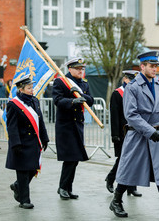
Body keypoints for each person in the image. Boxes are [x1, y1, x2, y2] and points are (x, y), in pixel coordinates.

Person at [110, 51, 159, 220]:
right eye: (151, 66)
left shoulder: (158, 85)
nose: (154, 69)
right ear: (142, 67)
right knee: (130, 169)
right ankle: (116, 200)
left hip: (156, 134)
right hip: (138, 135)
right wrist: (150, 132)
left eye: (156, 66)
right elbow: (131, 115)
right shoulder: (132, 87)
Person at [52, 57, 94, 200]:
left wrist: (81, 95)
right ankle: (62, 187)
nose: (80, 71)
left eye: (82, 69)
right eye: (77, 69)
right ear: (70, 69)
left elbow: (91, 100)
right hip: (66, 125)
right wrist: (73, 101)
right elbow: (57, 100)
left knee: (75, 159)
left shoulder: (84, 84)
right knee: (70, 158)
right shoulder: (61, 81)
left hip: (78, 125)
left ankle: (68, 188)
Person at [5, 75, 49, 209]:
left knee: (32, 168)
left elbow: (40, 121)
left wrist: (45, 137)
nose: (32, 90)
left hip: (34, 142)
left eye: (32, 87)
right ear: (21, 89)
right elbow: (12, 126)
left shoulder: (34, 101)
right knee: (23, 172)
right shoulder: (14, 104)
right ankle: (24, 200)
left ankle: (18, 186)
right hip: (22, 142)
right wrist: (16, 144)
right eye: (29, 88)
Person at [105, 70, 142, 197]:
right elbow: (114, 115)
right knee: (123, 159)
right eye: (131, 79)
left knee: (135, 159)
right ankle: (110, 178)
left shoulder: (137, 92)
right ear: (125, 79)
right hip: (122, 132)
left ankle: (132, 187)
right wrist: (114, 134)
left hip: (135, 131)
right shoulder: (118, 93)